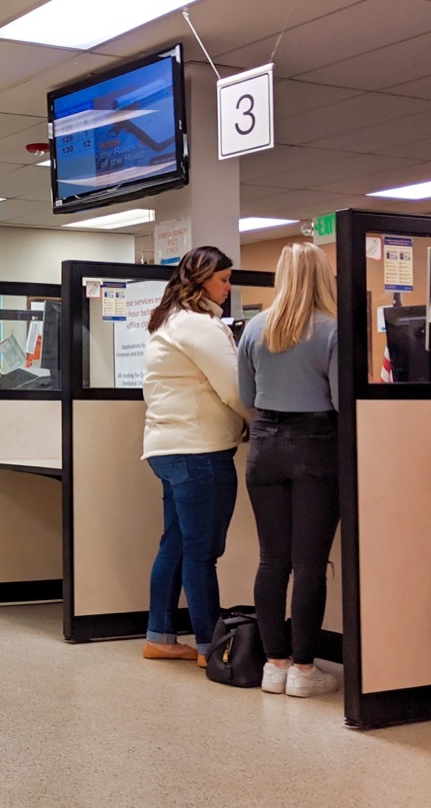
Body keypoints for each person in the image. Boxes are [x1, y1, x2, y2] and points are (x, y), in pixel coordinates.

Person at [236, 242, 340, 698]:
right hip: (316, 444)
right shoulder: (332, 329)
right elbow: (341, 400)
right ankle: (303, 669)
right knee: (309, 563)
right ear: (323, 277)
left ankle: (273, 665)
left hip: (264, 444)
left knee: (271, 559)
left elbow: (246, 396)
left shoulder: (255, 328)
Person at [141, 246, 248, 666]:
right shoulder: (199, 325)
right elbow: (236, 390)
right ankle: (210, 647)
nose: (228, 287)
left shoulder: (169, 321)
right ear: (202, 280)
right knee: (202, 554)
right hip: (199, 451)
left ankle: (160, 636)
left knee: (176, 544)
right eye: (223, 279)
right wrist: (261, 421)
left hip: (169, 449)